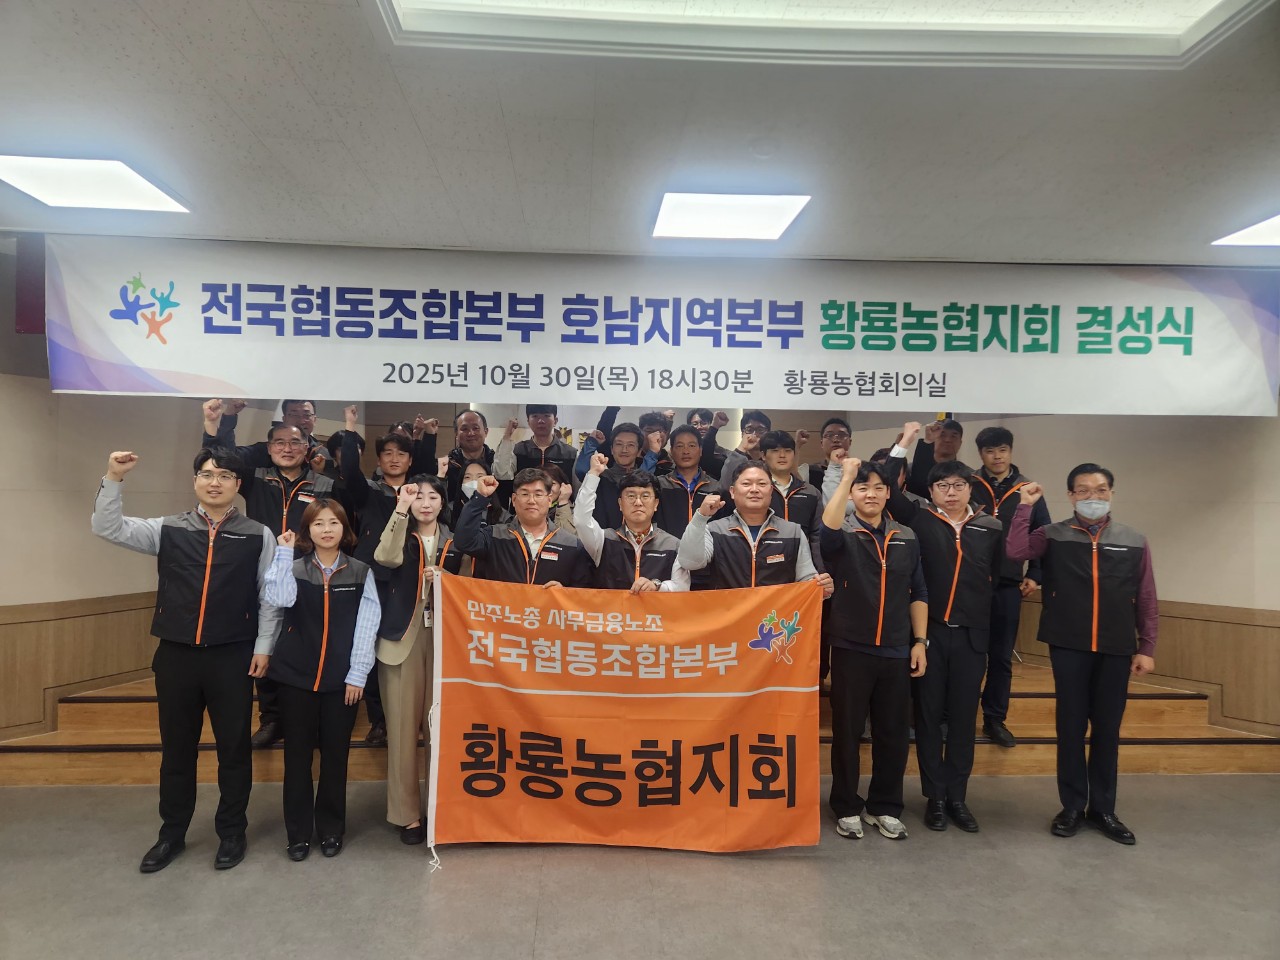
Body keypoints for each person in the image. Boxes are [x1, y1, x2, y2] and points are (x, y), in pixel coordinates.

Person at [92, 448, 280, 873]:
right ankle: (171, 834)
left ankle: (231, 832)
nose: (215, 482)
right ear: (195, 481)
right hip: (176, 656)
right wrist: (114, 477)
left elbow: (269, 595)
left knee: (234, 749)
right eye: (207, 474)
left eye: (225, 475)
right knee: (177, 751)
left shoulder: (258, 534)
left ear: (238, 485)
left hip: (233, 656)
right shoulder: (168, 528)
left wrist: (264, 646)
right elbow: (107, 527)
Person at [1007, 466, 1157, 845]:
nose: (1093, 496)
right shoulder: (1052, 534)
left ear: (1112, 493)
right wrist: (1025, 507)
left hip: (1116, 646)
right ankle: (1072, 806)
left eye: (1101, 489)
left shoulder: (1134, 540)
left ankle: (1103, 809)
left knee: (1107, 730)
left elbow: (1147, 597)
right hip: (1068, 644)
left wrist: (1147, 647)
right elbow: (1015, 551)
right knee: (1070, 728)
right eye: (1084, 490)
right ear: (1071, 495)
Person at [882, 422, 1004, 832]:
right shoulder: (919, 519)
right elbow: (888, 485)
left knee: (964, 719)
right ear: (931, 491)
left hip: (972, 636)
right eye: (942, 486)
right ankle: (934, 797)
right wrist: (906, 441)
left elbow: (997, 580)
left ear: (970, 488)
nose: (950, 492)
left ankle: (958, 798)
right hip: (930, 633)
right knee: (929, 717)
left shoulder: (989, 527)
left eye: (958, 485)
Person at [203, 399, 342, 749]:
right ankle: (272, 717)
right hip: (261, 572)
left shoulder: (324, 484)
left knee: (309, 643)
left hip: (310, 574)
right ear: (269, 448)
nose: (287, 448)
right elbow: (219, 459)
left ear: (307, 446)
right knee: (265, 643)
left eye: (295, 442)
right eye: (279, 442)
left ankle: (309, 718)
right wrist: (224, 420)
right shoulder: (256, 479)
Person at [263, 500, 379, 861]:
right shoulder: (294, 566)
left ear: (345, 529)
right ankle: (297, 834)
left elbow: (368, 625)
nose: (326, 530)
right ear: (307, 530)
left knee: (335, 757)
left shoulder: (360, 571)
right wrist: (284, 553)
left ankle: (331, 829)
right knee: (297, 758)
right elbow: (279, 598)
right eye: (318, 524)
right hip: (295, 677)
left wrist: (357, 674)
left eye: (333, 523)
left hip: (341, 681)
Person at [820, 455, 928, 843]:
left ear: (888, 494)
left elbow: (919, 591)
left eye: (879, 488)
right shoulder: (844, 532)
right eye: (862, 488)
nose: (871, 494)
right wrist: (847, 475)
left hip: (897, 649)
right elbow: (827, 531)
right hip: (851, 647)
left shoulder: (906, 536)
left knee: (893, 734)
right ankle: (846, 805)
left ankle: (884, 805)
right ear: (852, 494)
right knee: (847, 732)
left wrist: (919, 642)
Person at [373, 476, 464, 844]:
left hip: (446, 642)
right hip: (401, 640)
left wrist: (446, 578)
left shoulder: (457, 540)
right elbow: (385, 557)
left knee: (440, 733)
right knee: (400, 731)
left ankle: (441, 810)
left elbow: (472, 586)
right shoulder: (401, 531)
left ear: (443, 502)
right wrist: (399, 507)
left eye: (432, 497)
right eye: (418, 497)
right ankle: (406, 815)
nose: (425, 503)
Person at [341, 404, 418, 746]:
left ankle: (408, 716)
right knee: (370, 644)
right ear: (379, 459)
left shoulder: (419, 494)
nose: (394, 459)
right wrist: (350, 427)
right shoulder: (368, 491)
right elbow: (348, 470)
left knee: (402, 647)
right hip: (371, 577)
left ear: (410, 461)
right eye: (387, 453)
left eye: (401, 454)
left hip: (407, 578)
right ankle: (378, 720)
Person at [971, 425, 1052, 748]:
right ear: (981, 454)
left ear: (1011, 451)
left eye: (1002, 450)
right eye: (990, 451)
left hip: (1008, 583)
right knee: (970, 656)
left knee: (1001, 656)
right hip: (971, 584)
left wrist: (1036, 573)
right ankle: (958, 715)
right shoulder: (969, 484)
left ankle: (995, 719)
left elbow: (1041, 533)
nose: (997, 457)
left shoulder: (1027, 489)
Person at [676, 460, 833, 599]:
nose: (754, 489)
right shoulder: (714, 530)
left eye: (762, 484)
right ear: (732, 492)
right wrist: (700, 517)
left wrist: (821, 587)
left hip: (774, 620)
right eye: (746, 484)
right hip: (727, 618)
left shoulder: (793, 532)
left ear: (771, 491)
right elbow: (690, 562)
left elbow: (807, 580)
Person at [453, 468, 593, 588]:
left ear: (549, 500)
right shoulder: (494, 536)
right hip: (502, 611)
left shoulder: (571, 544)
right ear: (514, 500)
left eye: (538, 494)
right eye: (525, 494)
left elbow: (583, 591)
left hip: (547, 611)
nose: (531, 500)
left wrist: (565, 592)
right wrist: (480, 497)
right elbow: (463, 542)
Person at [574, 453, 690, 591]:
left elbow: (682, 586)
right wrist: (593, 473)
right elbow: (581, 520)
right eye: (631, 496)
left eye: (645, 496)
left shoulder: (673, 545)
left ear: (656, 504)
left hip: (654, 605)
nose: (638, 502)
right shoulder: (604, 540)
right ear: (620, 504)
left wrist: (657, 586)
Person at [720, 430, 824, 572]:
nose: (782, 455)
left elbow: (817, 535)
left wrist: (820, 570)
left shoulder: (810, 492)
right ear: (763, 455)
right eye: (775, 451)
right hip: (760, 564)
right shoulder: (757, 491)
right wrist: (741, 450)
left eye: (788, 451)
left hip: (800, 566)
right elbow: (726, 486)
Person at [202, 398, 328, 471]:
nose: (300, 420)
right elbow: (227, 458)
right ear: (284, 419)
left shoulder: (325, 455)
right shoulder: (266, 451)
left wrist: (318, 474)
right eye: (294, 414)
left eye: (306, 415)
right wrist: (228, 415)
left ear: (314, 419)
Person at [654, 425, 718, 540]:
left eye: (691, 445)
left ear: (700, 450)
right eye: (679, 446)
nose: (686, 451)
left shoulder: (716, 488)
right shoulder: (658, 485)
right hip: (667, 550)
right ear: (671, 451)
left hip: (706, 550)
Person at [583, 422, 646, 531]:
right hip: (605, 539)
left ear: (639, 451)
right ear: (612, 449)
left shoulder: (647, 482)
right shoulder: (599, 479)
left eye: (631, 445)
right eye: (619, 444)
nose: (624, 450)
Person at [493, 404, 578, 484]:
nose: (541, 421)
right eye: (535, 416)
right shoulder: (518, 450)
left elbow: (577, 488)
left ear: (555, 421)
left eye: (546, 416)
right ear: (528, 421)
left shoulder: (570, 453)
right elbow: (502, 474)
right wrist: (507, 435)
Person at [699, 410, 771, 480]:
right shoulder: (729, 459)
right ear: (742, 433)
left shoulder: (773, 460)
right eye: (749, 429)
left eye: (760, 430)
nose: (754, 434)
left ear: (768, 434)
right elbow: (704, 458)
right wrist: (714, 426)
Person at [906, 418, 964, 499]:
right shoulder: (910, 470)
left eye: (953, 436)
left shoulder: (966, 474)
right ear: (934, 438)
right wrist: (928, 441)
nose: (947, 440)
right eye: (942, 435)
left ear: (960, 443)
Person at [802, 417, 852, 489]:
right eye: (829, 435)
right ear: (822, 443)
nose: (836, 440)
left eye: (841, 435)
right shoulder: (811, 472)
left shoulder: (859, 470)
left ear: (850, 442)